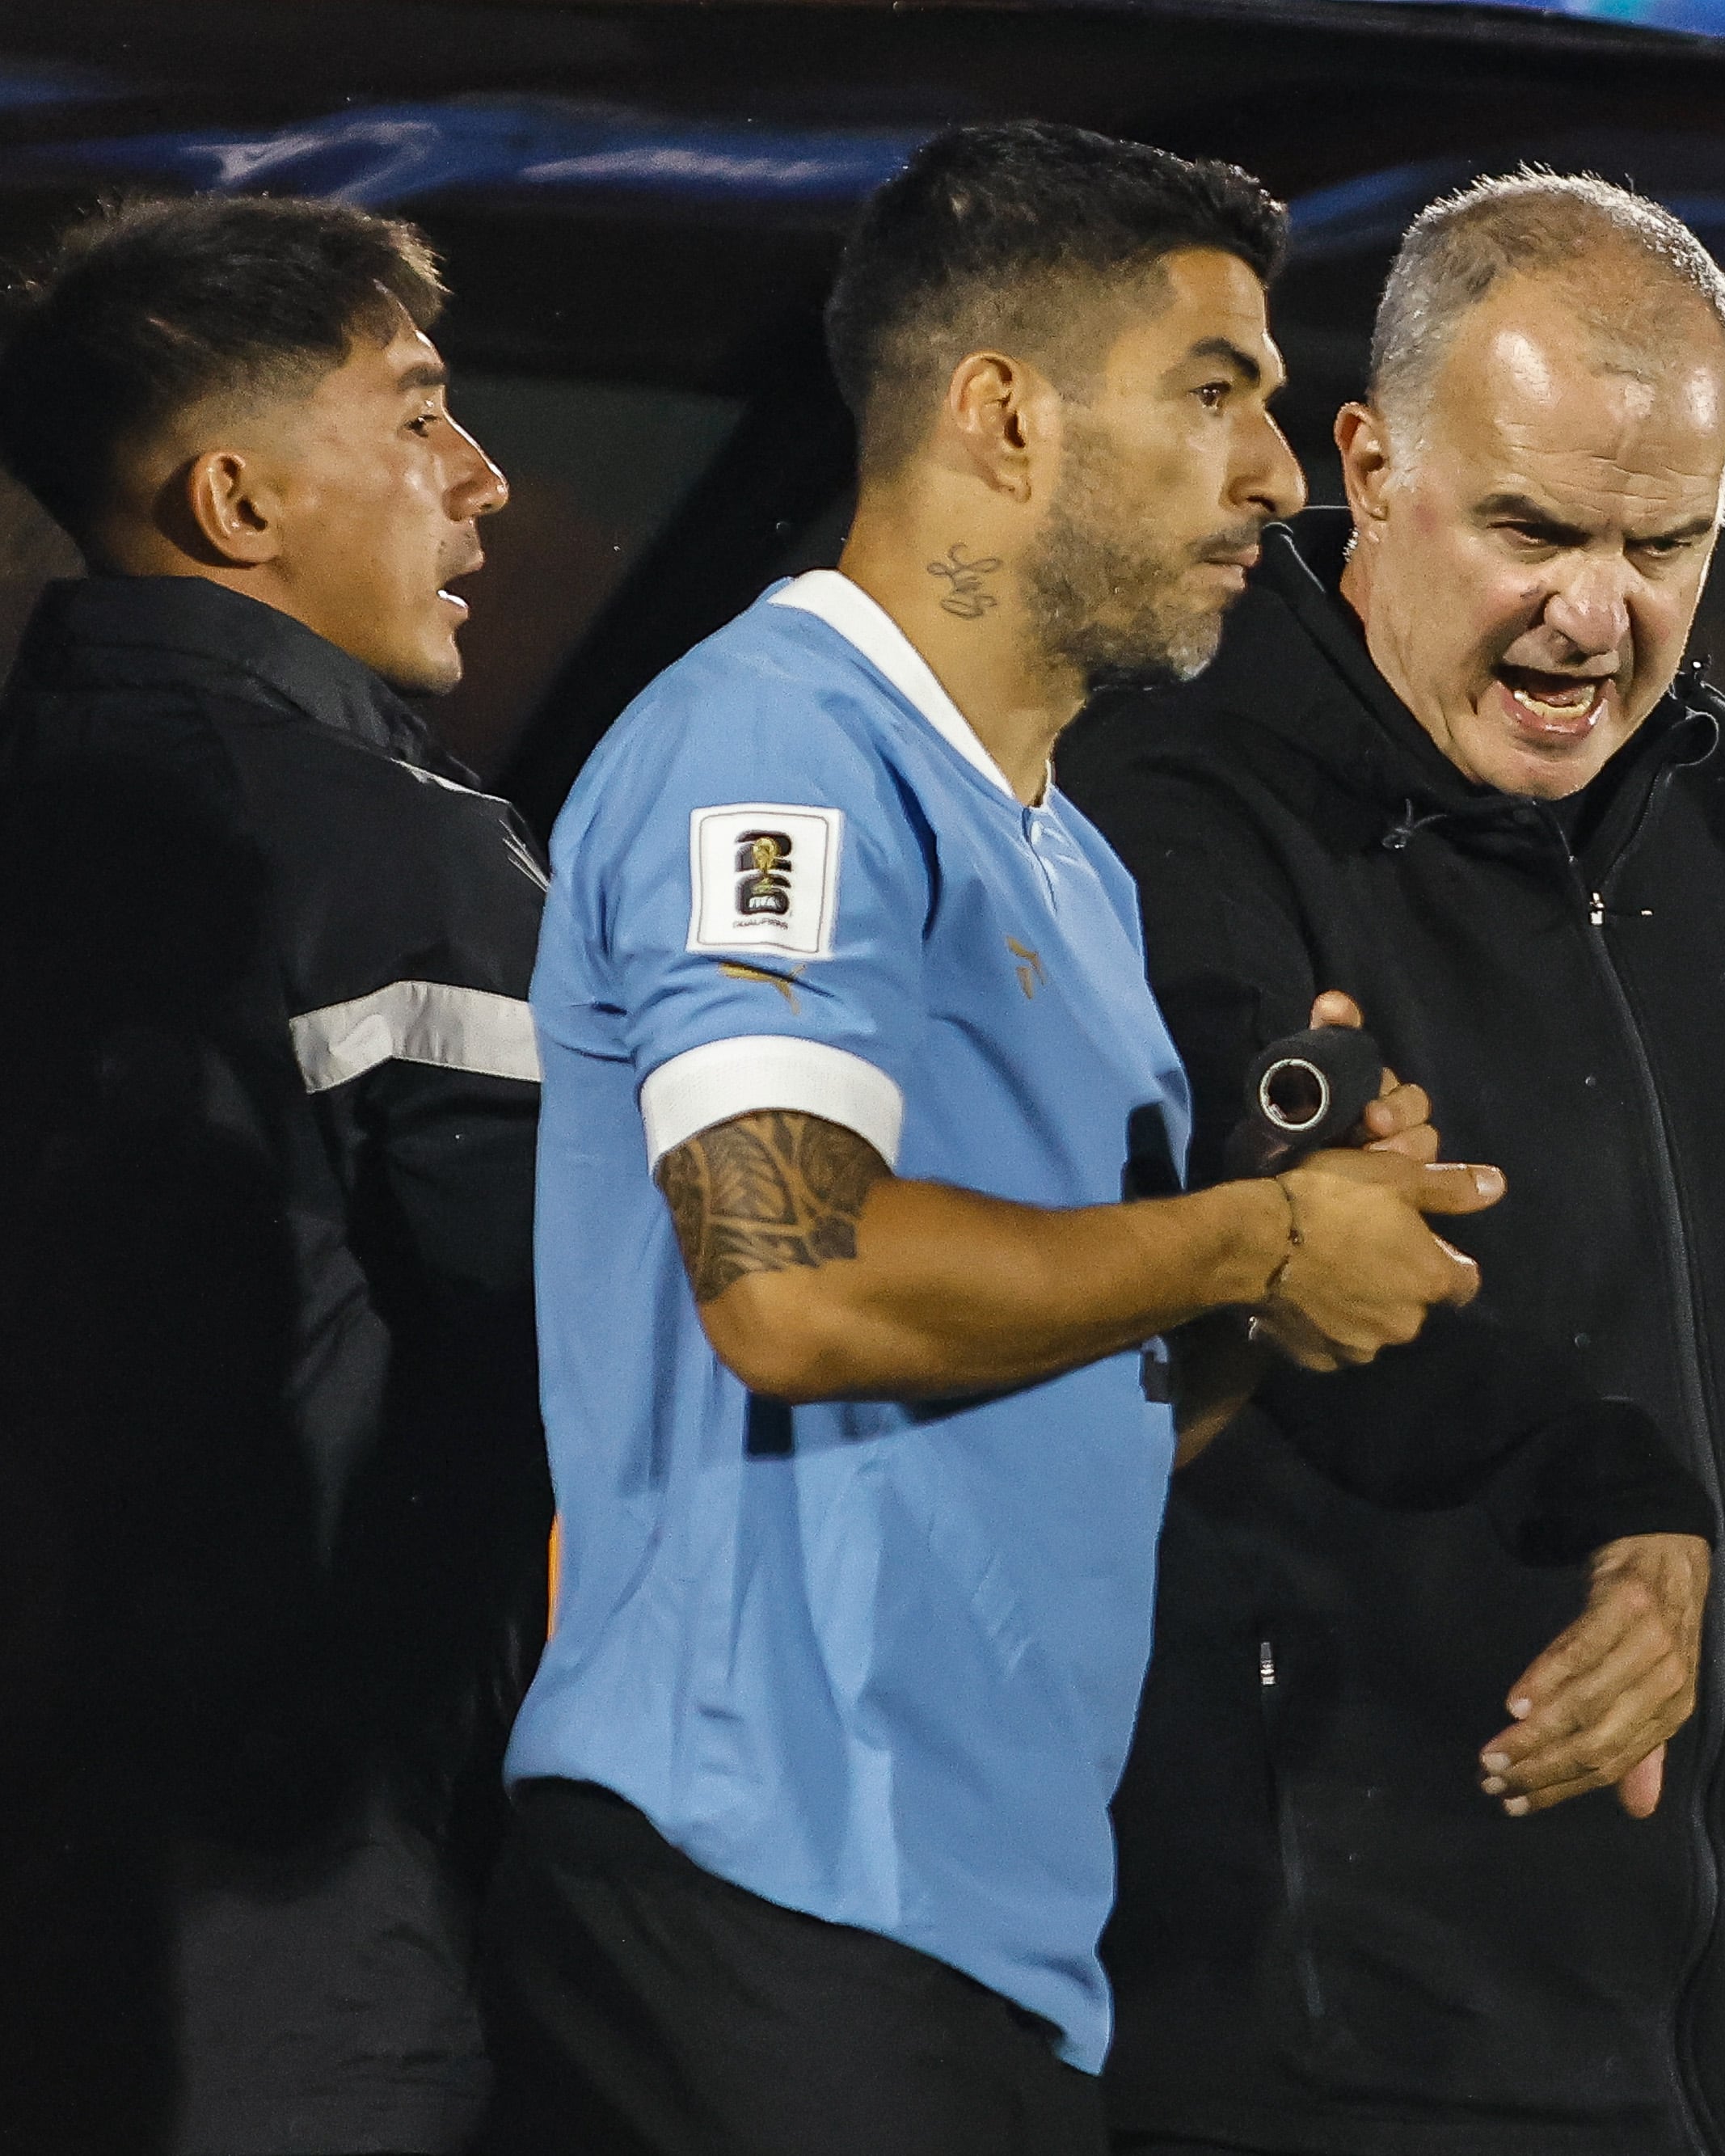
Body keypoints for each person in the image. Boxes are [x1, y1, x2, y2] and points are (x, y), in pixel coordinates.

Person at [479, 123, 1500, 2156]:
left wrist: (1274, 1282)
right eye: (1215, 395)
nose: (1274, 478)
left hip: (987, 1935)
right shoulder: (773, 742)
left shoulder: (1080, 872)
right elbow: (793, 1279)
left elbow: (1077, 1386)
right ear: (1005, 417)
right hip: (754, 1869)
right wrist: (1242, 1244)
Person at [1057, 173, 1725, 2156]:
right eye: (1534, 529)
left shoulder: (1708, 792)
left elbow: (1724, 1344)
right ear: (1366, 466)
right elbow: (1230, 1228)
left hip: (1669, 2052)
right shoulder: (1176, 789)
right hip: (1315, 2044)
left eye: (1666, 542)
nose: (1599, 611)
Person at [0, 195, 539, 2156]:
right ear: (236, 499)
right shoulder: (381, 849)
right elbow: (629, 1322)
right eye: (414, 418)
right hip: (281, 1932)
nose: (480, 482)